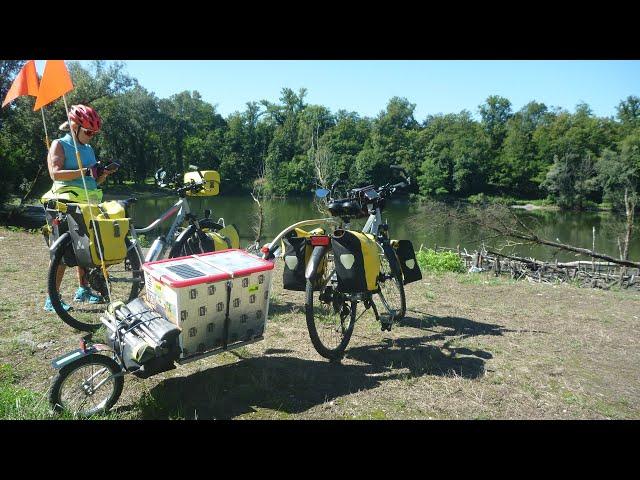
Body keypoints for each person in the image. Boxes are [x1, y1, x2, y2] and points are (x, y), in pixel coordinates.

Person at [41, 104, 118, 312]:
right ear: (74, 126)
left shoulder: (89, 149)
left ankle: (83, 290)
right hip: (63, 205)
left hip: (87, 205)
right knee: (62, 253)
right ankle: (52, 298)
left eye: (94, 133)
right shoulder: (59, 144)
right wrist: (85, 171)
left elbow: (91, 181)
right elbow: (55, 173)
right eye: (88, 131)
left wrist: (101, 174)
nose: (92, 135)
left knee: (86, 248)